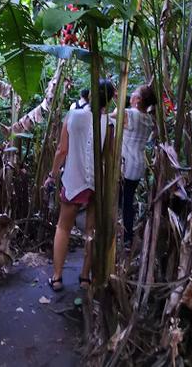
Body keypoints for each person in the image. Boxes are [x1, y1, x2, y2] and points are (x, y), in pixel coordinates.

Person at [45, 79, 115, 291]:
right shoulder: (110, 124)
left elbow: (61, 150)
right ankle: (85, 277)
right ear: (110, 99)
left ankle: (57, 277)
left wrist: (52, 174)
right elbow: (108, 156)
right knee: (90, 231)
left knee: (63, 227)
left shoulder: (73, 116)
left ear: (91, 94)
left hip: (74, 180)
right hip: (96, 183)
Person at [115, 84, 157, 247]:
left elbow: (112, 116)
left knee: (122, 200)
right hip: (138, 163)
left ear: (138, 99)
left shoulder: (128, 114)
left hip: (126, 164)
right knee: (128, 199)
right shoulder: (148, 118)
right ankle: (127, 236)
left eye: (133, 94)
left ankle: (125, 236)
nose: (130, 95)